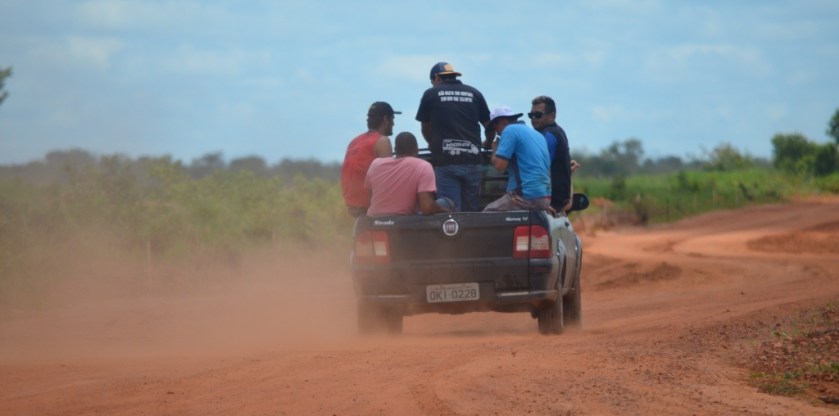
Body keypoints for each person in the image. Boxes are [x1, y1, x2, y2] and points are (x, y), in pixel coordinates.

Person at [415, 62, 492, 212]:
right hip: (473, 162)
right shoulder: (474, 93)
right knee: (471, 211)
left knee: (450, 211)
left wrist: (433, 144)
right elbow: (489, 126)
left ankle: (454, 235)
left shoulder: (431, 94)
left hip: (446, 162)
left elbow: (425, 127)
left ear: (437, 77)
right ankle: (472, 235)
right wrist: (488, 143)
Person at [483, 106, 553, 212]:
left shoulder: (509, 130)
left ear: (503, 122)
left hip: (524, 196)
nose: (496, 133)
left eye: (494, 128)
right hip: (544, 197)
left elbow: (500, 166)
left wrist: (495, 149)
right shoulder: (537, 135)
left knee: (487, 214)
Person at [365, 132, 452, 216]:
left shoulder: (375, 164)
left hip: (374, 220)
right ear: (416, 149)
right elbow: (427, 208)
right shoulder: (423, 166)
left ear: (395, 150)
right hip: (404, 224)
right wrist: (445, 210)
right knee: (445, 203)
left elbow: (369, 195)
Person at [341, 101, 399, 218]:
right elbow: (387, 181)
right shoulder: (382, 141)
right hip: (369, 206)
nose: (393, 123)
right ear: (386, 120)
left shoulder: (355, 141)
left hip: (352, 204)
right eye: (392, 118)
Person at [529, 95, 574, 213]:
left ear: (552, 116)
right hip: (557, 202)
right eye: (531, 115)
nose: (533, 118)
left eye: (538, 115)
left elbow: (539, 168)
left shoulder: (548, 136)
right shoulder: (557, 132)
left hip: (550, 204)